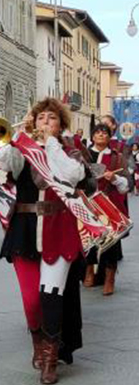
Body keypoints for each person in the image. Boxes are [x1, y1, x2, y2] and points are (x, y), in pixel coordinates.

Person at [0, 98, 88, 385]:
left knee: (50, 296)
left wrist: (51, 144)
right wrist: (13, 140)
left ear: (61, 125)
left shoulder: (71, 152)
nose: (45, 122)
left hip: (58, 229)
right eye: (41, 117)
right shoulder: (23, 150)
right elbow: (6, 165)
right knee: (32, 301)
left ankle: (49, 359)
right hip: (24, 229)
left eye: (51, 118)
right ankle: (38, 341)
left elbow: (71, 176)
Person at [83, 123, 130, 295]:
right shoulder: (85, 156)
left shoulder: (117, 158)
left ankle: (110, 279)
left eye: (105, 132)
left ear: (110, 137)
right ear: (93, 136)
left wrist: (115, 178)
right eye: (98, 132)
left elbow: (126, 186)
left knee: (112, 242)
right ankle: (88, 272)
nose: (101, 135)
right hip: (89, 204)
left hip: (110, 205)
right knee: (89, 239)